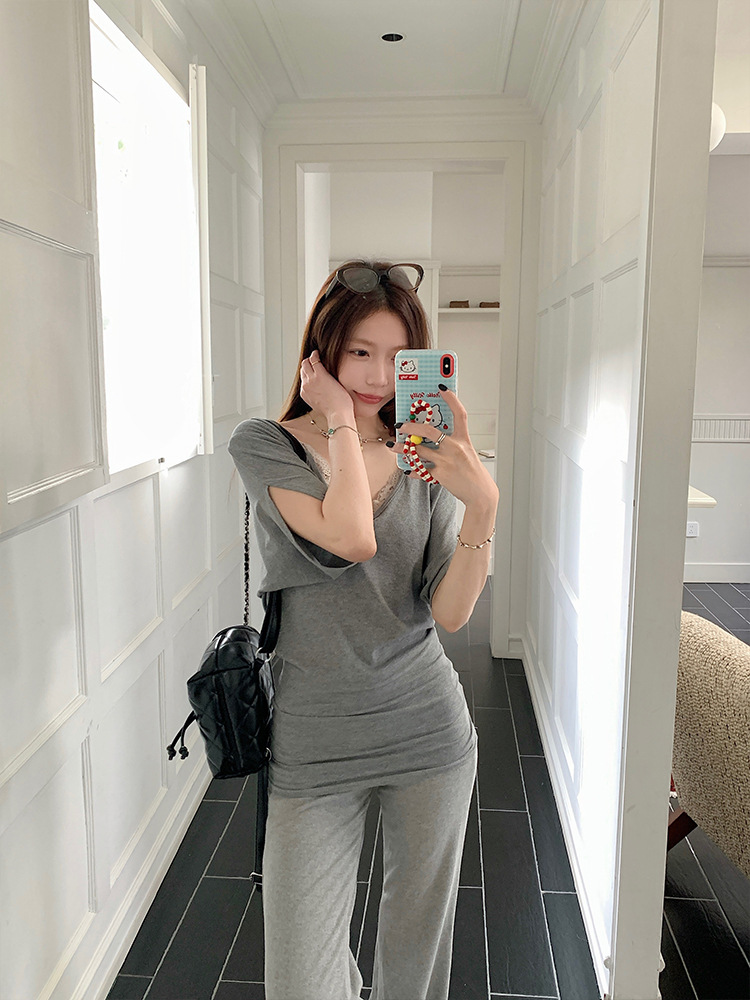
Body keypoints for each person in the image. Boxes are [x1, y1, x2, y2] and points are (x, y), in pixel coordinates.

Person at [228, 260, 499, 1000]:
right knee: (300, 978)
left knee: (415, 958)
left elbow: (450, 612)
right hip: (314, 741)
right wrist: (345, 423)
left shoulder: (424, 457)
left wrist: (481, 505)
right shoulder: (266, 444)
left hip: (426, 729)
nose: (379, 375)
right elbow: (351, 536)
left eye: (397, 355)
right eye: (359, 352)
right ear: (322, 352)